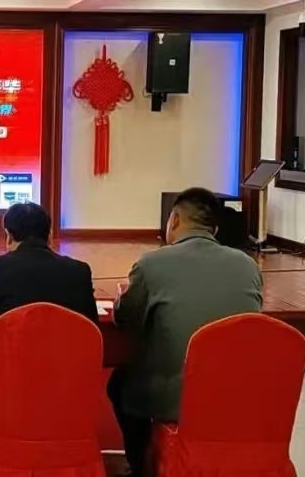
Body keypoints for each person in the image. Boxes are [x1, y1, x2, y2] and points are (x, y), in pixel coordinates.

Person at [109, 187, 263, 477]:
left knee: (120, 384)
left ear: (175, 220)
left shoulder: (151, 264)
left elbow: (126, 317)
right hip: (237, 396)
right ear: (214, 228)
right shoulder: (248, 267)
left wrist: (122, 299)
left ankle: (143, 467)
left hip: (177, 401)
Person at [0, 202, 99, 450]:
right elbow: (91, 326)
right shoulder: (79, 271)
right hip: (65, 389)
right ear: (49, 235)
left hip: (11, 390)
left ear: (8, 235)